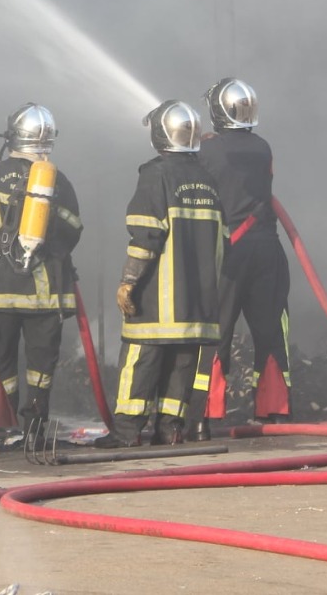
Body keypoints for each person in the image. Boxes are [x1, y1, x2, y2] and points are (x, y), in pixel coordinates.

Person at [0, 102, 83, 441]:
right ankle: (34, 427)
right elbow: (73, 231)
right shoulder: (60, 181)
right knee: (41, 366)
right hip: (46, 294)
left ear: (13, 136)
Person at [113, 99, 223, 446]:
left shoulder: (155, 174)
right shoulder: (207, 179)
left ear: (161, 134)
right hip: (198, 303)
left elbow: (146, 234)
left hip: (158, 300)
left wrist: (129, 281)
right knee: (182, 365)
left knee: (140, 360)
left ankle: (127, 433)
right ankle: (170, 430)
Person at [190, 77, 291, 436]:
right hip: (269, 249)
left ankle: (208, 416)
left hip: (230, 250)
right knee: (271, 332)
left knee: (216, 331)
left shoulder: (208, 152)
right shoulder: (263, 147)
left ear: (218, 111)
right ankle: (274, 412)